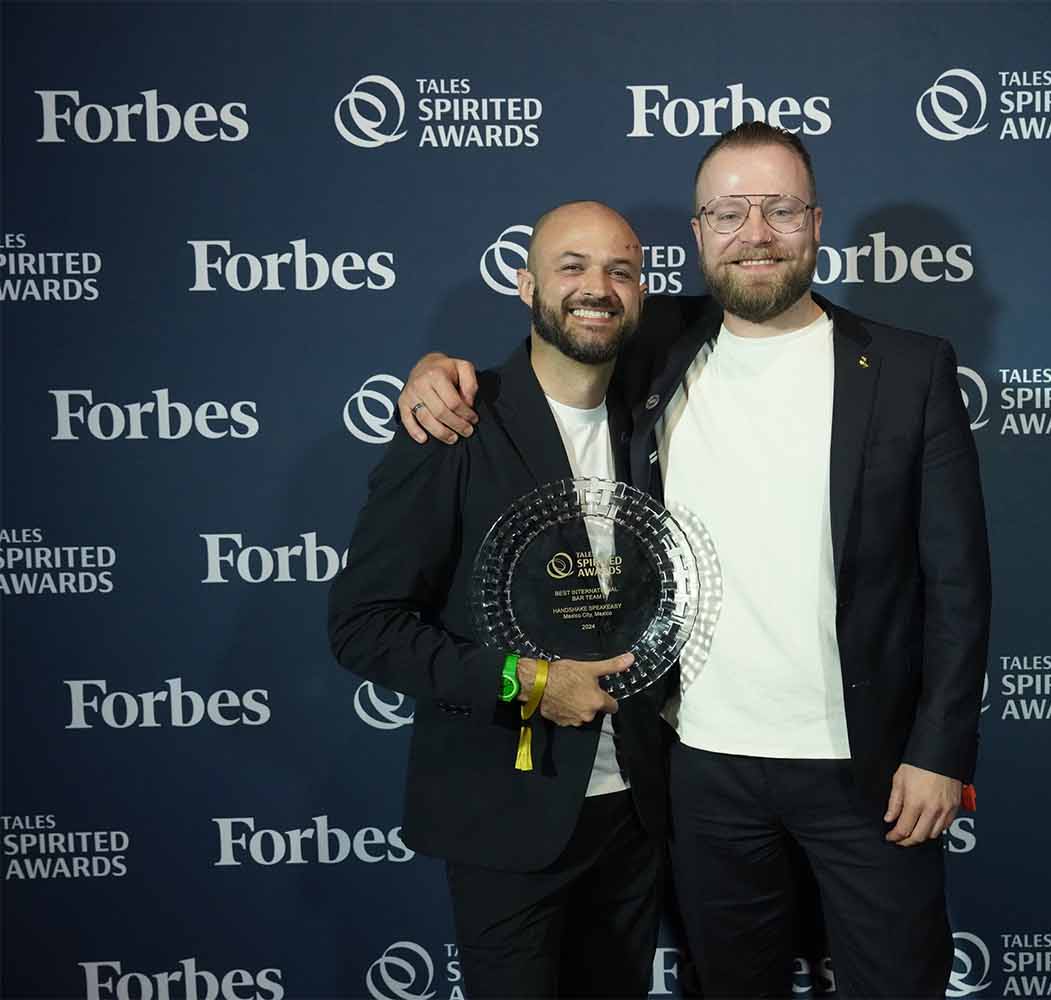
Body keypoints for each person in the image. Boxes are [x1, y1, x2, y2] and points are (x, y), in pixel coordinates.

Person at [400, 123, 991, 998]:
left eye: (781, 209)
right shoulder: (654, 346)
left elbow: (959, 580)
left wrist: (941, 751)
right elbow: (557, 343)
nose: (756, 233)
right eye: (730, 212)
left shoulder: (907, 368)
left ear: (817, 222)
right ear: (698, 233)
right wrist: (436, 373)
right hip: (700, 768)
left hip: (872, 771)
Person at [328, 201, 673, 998]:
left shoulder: (657, 417)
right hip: (507, 812)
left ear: (644, 292)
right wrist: (531, 681)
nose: (598, 287)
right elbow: (362, 626)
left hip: (637, 815)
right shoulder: (455, 419)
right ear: (525, 286)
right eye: (572, 267)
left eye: (621, 270)